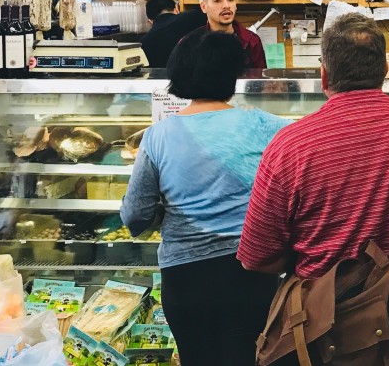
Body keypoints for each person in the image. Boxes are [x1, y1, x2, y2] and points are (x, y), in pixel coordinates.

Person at [238, 13, 389, 366]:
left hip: (329, 330)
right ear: (384, 70)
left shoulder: (290, 145)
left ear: (324, 73)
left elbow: (256, 255)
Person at [120, 29, 289, 365]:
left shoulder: (157, 137)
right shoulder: (270, 127)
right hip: (253, 275)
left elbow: (134, 215)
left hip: (185, 281)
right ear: (234, 75)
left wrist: (164, 211)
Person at [194, 0, 267, 69]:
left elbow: (259, 81)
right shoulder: (191, 43)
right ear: (203, 7)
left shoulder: (251, 41)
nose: (226, 5)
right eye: (217, 0)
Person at [140, 0, 206, 68]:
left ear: (150, 21)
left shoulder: (144, 42)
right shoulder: (193, 17)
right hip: (196, 76)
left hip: (161, 78)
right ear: (176, 9)